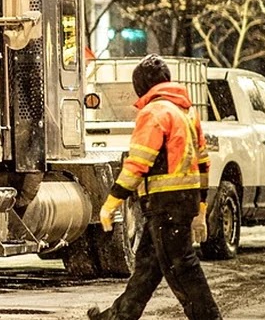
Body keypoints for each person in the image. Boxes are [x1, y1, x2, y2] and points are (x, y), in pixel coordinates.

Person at [88, 54, 221, 320]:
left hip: (165, 205)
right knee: (148, 266)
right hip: (183, 201)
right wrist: (201, 209)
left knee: (181, 266)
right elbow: (203, 163)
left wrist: (112, 201)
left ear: (141, 86)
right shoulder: (186, 113)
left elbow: (138, 162)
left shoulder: (154, 113)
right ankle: (120, 316)